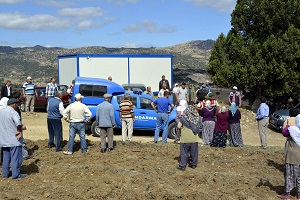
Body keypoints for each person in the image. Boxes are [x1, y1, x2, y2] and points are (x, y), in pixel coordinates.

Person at [0, 98, 26, 179]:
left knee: (6, 157)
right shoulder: (13, 113)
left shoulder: (1, 112)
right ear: (14, 104)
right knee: (15, 157)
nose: (17, 106)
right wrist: (20, 131)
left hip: (3, 139)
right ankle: (16, 174)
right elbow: (18, 124)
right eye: (17, 104)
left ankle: (5, 173)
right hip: (14, 139)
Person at [277, 111, 300, 199]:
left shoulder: (293, 130)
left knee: (289, 174)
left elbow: (284, 133)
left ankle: (287, 193)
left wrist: (288, 125)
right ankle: (299, 194)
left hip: (293, 155)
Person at [176, 106, 201, 171]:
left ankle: (182, 166)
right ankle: (193, 164)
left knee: (184, 152)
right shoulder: (197, 118)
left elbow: (178, 126)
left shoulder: (183, 118)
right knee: (194, 152)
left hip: (185, 139)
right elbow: (199, 128)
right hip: (194, 139)